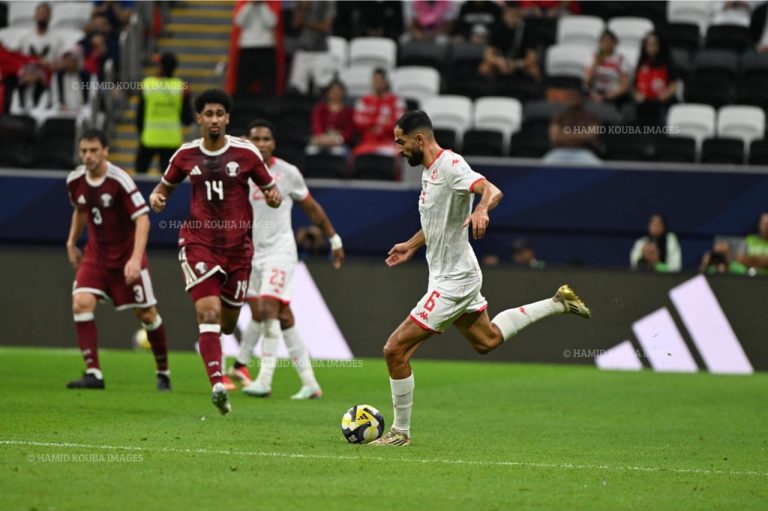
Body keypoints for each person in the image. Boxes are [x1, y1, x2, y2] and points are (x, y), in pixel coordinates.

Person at [370, 111, 591, 446]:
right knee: (486, 341)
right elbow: (438, 222)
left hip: (454, 280)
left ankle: (400, 433)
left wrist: (482, 208)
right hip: (451, 274)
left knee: (394, 349)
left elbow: (492, 189)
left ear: (419, 139)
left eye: (401, 142)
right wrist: (411, 245)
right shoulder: (429, 172)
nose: (398, 150)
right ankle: (558, 302)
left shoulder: (451, 165)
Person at [149, 89, 281, 415]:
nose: (214, 119)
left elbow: (270, 189)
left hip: (238, 250)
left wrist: (274, 196)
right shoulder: (185, 155)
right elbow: (163, 188)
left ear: (227, 118)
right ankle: (217, 384)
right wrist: (157, 198)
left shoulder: (246, 153)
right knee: (208, 313)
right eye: (208, 114)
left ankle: (218, 362)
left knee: (227, 323)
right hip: (199, 244)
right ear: (199, 118)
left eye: (219, 114)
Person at [229, 119, 345, 399]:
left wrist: (334, 239)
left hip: (279, 251)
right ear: (247, 141)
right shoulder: (238, 173)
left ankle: (264, 380)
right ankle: (310, 382)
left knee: (268, 308)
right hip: (250, 254)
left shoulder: (288, 173)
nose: (261, 144)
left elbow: (313, 209)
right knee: (283, 316)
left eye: (266, 139)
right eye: (256, 139)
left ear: (274, 143)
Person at [65, 129, 170, 391]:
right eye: (84, 151)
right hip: (96, 257)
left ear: (105, 151)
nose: (88, 156)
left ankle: (163, 371)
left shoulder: (120, 180)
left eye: (93, 151)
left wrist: (135, 259)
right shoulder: (75, 180)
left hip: (126, 258)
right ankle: (94, 374)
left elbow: (143, 218)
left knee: (147, 314)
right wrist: (71, 241)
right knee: (81, 303)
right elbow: (80, 209)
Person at [135, 52, 192, 174]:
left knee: (139, 175)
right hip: (171, 140)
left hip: (149, 138)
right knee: (168, 178)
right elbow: (188, 118)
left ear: (160, 66)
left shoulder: (148, 84)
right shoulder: (181, 87)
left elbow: (140, 114)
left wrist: (140, 131)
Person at [353, 68, 405, 158]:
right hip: (367, 143)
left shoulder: (396, 101)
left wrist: (370, 122)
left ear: (386, 82)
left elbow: (398, 125)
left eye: (379, 80)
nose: (376, 83)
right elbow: (358, 122)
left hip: (389, 143)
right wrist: (379, 120)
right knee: (356, 156)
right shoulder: (364, 100)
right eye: (375, 80)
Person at [287, 1, 336, 95]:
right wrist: (304, 9)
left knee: (324, 87)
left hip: (321, 51)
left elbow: (326, 27)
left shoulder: (327, 2)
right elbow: (295, 24)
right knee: (296, 89)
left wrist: (305, 22)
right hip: (302, 51)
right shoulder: (300, 3)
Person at [633, 31, 678, 127]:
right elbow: (634, 86)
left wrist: (663, 96)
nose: (651, 47)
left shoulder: (668, 63)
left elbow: (674, 85)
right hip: (643, 102)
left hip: (661, 102)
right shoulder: (641, 63)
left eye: (654, 44)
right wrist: (636, 95)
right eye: (648, 44)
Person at [234, 1, 278, 95]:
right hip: (247, 47)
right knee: (243, 85)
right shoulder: (245, 5)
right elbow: (239, 22)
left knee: (268, 84)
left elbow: (272, 23)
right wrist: (250, 4)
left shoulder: (269, 5)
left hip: (266, 47)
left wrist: (262, 4)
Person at [307, 79, 355, 156]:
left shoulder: (349, 111)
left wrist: (338, 139)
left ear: (343, 92)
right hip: (322, 140)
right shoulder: (320, 109)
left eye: (338, 91)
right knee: (311, 151)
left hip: (340, 142)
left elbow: (349, 129)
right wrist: (323, 138)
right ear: (328, 93)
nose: (335, 93)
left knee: (338, 152)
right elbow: (316, 125)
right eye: (332, 91)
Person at [584, 30, 630, 105]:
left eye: (609, 41)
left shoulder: (621, 59)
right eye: (604, 41)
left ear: (615, 43)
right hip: (595, 93)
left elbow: (625, 85)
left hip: (613, 95)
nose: (606, 43)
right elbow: (587, 82)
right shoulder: (593, 57)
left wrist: (607, 96)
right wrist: (596, 64)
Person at [737, 211, 768, 275]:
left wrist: (751, 260)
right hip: (747, 277)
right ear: (759, 224)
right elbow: (740, 259)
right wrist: (763, 261)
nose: (766, 227)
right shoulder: (749, 240)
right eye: (764, 224)